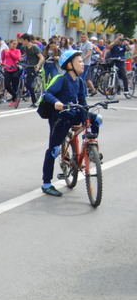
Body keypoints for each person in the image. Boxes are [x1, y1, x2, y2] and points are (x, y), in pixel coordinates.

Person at [39, 50, 98, 197]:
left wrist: (87, 119)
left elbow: (82, 102)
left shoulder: (80, 81)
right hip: (60, 117)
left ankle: (91, 148)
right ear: (70, 65)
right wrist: (56, 102)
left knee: (97, 119)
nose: (83, 64)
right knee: (53, 150)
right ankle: (46, 184)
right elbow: (47, 94)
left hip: (74, 113)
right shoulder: (62, 79)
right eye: (80, 61)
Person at [19, 33, 45, 107]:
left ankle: (34, 101)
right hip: (28, 66)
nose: (21, 42)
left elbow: (41, 58)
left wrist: (38, 65)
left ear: (26, 40)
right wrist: (22, 57)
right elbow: (28, 55)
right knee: (17, 76)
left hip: (34, 67)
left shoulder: (34, 47)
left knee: (29, 84)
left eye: (22, 40)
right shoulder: (25, 47)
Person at [107, 33, 131, 98]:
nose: (120, 40)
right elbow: (108, 47)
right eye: (119, 39)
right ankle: (113, 89)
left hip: (121, 62)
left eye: (121, 39)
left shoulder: (124, 45)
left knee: (124, 76)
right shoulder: (114, 44)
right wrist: (115, 41)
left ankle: (126, 91)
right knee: (112, 75)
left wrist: (127, 44)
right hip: (113, 62)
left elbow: (129, 49)